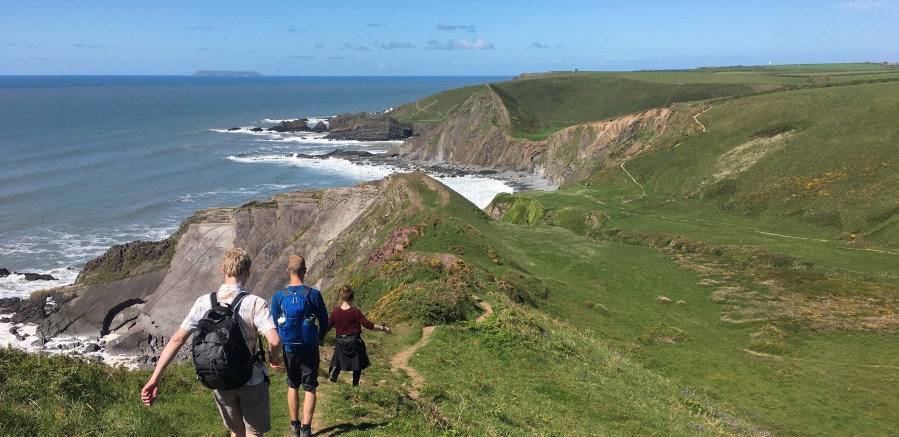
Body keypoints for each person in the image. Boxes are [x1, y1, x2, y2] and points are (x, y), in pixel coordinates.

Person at [140, 247, 282, 437]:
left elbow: (177, 339)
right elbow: (274, 340)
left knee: (236, 431)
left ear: (222, 270)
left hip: (219, 377)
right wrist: (273, 357)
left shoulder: (203, 302)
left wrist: (155, 378)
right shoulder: (255, 303)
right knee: (253, 433)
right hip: (251, 379)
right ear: (248, 272)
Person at [270, 255, 328, 437]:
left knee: (293, 385)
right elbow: (324, 321)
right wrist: (319, 338)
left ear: (288, 271)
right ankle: (306, 429)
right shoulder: (313, 294)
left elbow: (273, 325)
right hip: (309, 347)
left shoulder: (279, 296)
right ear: (305, 271)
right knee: (309, 387)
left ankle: (294, 426)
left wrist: (274, 353)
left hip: (289, 349)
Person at [327, 285, 391, 386]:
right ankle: (355, 384)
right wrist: (383, 328)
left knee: (339, 353)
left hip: (340, 343)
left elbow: (327, 327)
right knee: (358, 362)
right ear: (352, 298)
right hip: (354, 342)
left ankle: (335, 373)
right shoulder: (355, 312)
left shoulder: (335, 312)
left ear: (342, 297)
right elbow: (368, 325)